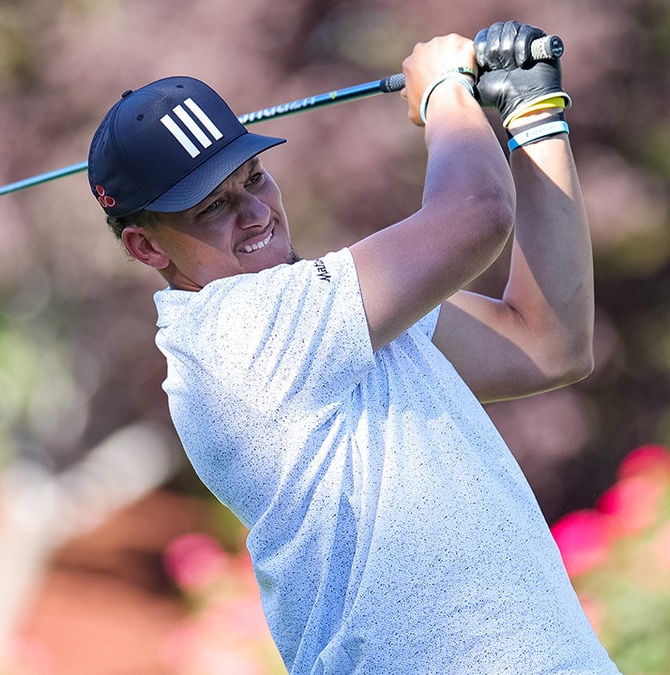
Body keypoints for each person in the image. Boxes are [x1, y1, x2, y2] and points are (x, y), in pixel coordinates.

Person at [86, 20, 620, 674]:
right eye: (212, 208)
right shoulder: (234, 336)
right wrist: (444, 92)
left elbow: (549, 342)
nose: (254, 212)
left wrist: (534, 121)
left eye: (253, 177)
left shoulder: (331, 316)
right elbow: (478, 212)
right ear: (145, 246)